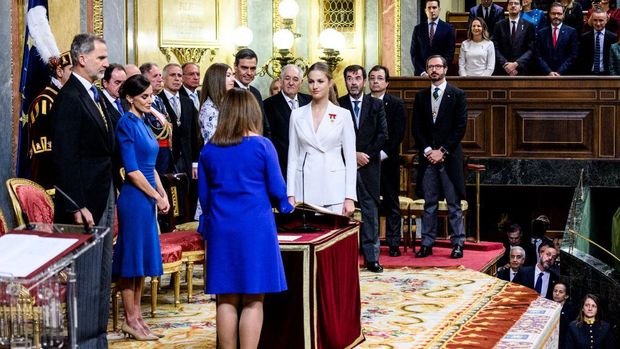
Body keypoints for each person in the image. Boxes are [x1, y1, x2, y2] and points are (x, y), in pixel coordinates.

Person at [197, 88, 293, 349]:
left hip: (221, 227)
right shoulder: (263, 146)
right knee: (253, 298)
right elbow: (277, 190)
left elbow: (203, 197)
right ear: (252, 113)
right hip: (255, 227)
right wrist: (287, 205)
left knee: (225, 297)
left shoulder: (209, 150)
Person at [50, 33, 115, 348]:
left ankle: (97, 340)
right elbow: (63, 157)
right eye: (101, 58)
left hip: (104, 194)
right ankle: (84, 344)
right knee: (87, 281)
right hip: (85, 203)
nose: (105, 63)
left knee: (102, 277)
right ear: (81, 58)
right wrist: (77, 205)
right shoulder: (69, 98)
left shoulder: (95, 94)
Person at [112, 74, 170, 341]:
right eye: (144, 97)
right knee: (132, 261)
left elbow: (150, 167)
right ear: (129, 98)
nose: (149, 101)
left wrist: (162, 192)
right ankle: (130, 319)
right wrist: (154, 196)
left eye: (151, 96)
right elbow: (132, 171)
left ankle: (138, 318)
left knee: (144, 260)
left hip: (147, 197)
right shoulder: (126, 123)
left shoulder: (144, 122)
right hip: (134, 199)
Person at [412, 55, 468, 259]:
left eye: (438, 66)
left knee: (453, 205)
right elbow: (416, 128)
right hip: (428, 159)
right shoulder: (420, 96)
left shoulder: (458, 94)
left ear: (445, 69)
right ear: (426, 70)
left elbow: (460, 127)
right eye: (430, 67)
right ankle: (427, 243)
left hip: (449, 159)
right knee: (430, 204)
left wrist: (442, 151)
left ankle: (458, 244)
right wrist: (428, 151)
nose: (434, 70)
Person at [287, 62, 357, 216]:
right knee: (307, 237)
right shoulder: (297, 115)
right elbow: (292, 157)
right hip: (304, 188)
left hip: (333, 188)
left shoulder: (342, 115)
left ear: (330, 82)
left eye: (320, 81)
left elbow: (351, 159)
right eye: (311, 81)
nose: (315, 86)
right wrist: (290, 194)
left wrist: (350, 197)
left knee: (333, 237)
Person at [338, 65, 388, 273]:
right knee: (341, 213)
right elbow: (335, 138)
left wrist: (363, 156)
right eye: (349, 78)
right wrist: (352, 155)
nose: (353, 82)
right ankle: (342, 259)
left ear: (364, 81)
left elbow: (382, 135)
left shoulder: (375, 104)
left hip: (368, 167)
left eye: (357, 78)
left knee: (369, 213)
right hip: (342, 167)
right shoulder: (338, 105)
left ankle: (372, 259)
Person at [368, 65, 406, 257]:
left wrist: (383, 153)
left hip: (388, 160)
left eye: (380, 78)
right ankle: (369, 241)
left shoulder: (396, 104)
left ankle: (393, 242)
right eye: (372, 78)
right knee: (369, 203)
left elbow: (398, 133)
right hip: (365, 162)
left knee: (392, 202)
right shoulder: (363, 102)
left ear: (387, 82)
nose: (375, 81)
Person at [28, 50, 72, 190]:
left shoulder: (65, 97)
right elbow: (43, 152)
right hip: (52, 185)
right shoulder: (45, 102)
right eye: (73, 71)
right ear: (59, 71)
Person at [263, 64, 311, 178]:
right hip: (281, 165)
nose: (291, 83)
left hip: (307, 165)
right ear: (280, 81)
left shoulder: (309, 101)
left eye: (295, 79)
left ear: (301, 82)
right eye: (287, 78)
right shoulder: (268, 105)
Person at [140, 62, 174, 174]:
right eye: (155, 76)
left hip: (166, 152)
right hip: (154, 155)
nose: (160, 79)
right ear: (144, 79)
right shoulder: (142, 103)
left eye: (160, 75)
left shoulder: (159, 100)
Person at [410, 0, 456, 76]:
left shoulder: (448, 28)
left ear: (439, 9)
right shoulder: (418, 29)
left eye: (434, 8)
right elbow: (414, 53)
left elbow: (450, 53)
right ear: (425, 10)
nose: (431, 10)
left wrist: (439, 70)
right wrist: (422, 72)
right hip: (422, 75)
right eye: (429, 8)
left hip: (440, 74)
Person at [233, 48, 270, 138]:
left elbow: (264, 125)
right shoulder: (229, 91)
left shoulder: (255, 92)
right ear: (235, 66)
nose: (249, 73)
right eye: (244, 68)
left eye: (253, 68)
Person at [535, 2, 579, 76]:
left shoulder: (572, 32)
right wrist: (548, 71)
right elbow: (538, 55)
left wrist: (560, 71)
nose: (556, 16)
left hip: (565, 75)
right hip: (545, 75)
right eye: (553, 13)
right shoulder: (541, 33)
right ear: (549, 14)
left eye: (559, 14)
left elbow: (573, 55)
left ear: (563, 15)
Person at [493, 0, 536, 75]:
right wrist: (505, 64)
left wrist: (516, 64)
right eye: (510, 3)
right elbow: (495, 48)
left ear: (521, 7)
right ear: (507, 7)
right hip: (503, 70)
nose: (513, 5)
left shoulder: (529, 26)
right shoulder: (499, 25)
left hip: (522, 70)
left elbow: (531, 49)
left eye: (516, 3)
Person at [197, 63, 235, 143]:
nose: (233, 79)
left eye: (232, 75)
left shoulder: (224, 104)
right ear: (217, 79)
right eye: (228, 75)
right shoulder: (209, 109)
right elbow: (212, 142)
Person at [579, 7, 618, 74]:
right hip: (588, 75)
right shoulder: (584, 38)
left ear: (606, 20)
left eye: (601, 20)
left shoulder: (613, 38)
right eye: (595, 20)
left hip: (607, 75)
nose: (598, 24)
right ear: (591, 20)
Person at [552, 282, 577, 349]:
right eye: (555, 291)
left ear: (566, 296)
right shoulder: (548, 307)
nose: (557, 294)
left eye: (561, 292)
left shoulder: (571, 310)